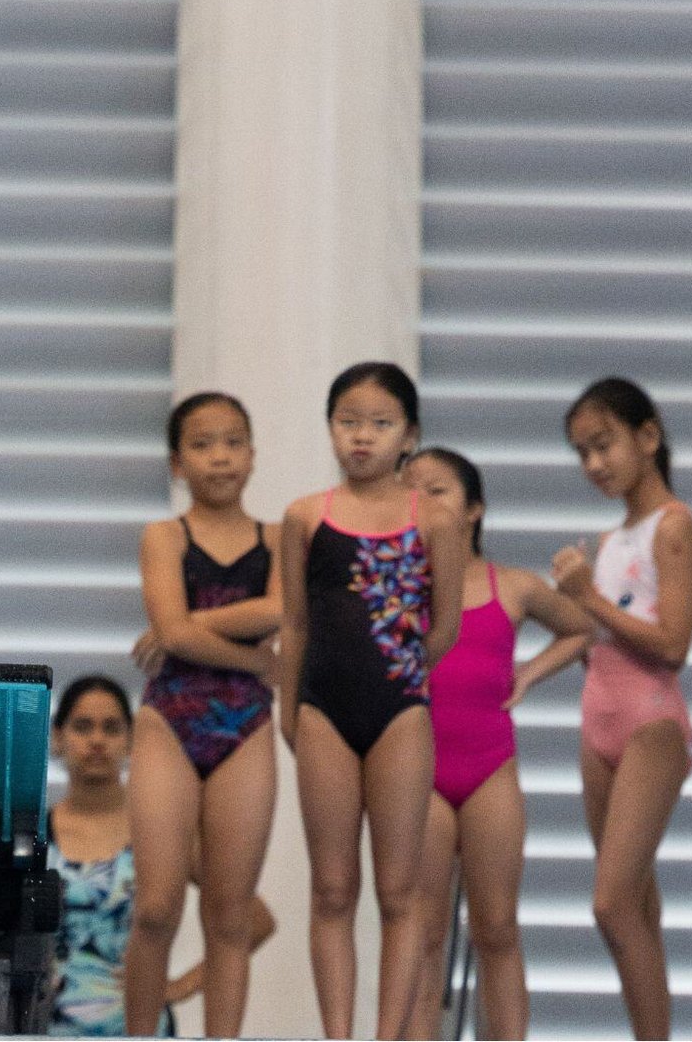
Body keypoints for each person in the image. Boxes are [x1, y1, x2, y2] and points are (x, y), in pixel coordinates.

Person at [279, 362, 464, 1042]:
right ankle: (337, 1035)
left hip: (400, 710)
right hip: (322, 711)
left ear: (409, 434)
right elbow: (296, 623)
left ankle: (388, 1036)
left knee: (398, 890)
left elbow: (445, 627)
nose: (362, 436)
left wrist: (402, 671)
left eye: (380, 424)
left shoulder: (435, 518)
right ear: (330, 427)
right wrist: (290, 709)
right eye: (348, 421)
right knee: (332, 889)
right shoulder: (304, 517)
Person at [403, 446, 592, 1042]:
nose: (421, 501)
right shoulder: (400, 589)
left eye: (437, 490)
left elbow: (580, 629)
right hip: (419, 773)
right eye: (411, 492)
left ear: (474, 509)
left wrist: (528, 673)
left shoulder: (511, 585)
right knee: (424, 934)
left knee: (497, 930)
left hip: (490, 769)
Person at [123, 394, 281, 1038]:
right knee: (156, 908)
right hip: (170, 720)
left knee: (230, 916)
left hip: (246, 729)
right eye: (202, 443)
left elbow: (279, 610)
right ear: (177, 463)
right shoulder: (164, 537)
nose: (220, 456)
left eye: (233, 441)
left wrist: (189, 623)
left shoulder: (279, 539)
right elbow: (172, 636)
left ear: (252, 454)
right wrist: (255, 659)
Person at [553, 377, 692, 1041]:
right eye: (582, 452)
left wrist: (588, 598)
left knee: (611, 904)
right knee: (637, 905)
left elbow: (673, 645)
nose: (593, 463)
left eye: (604, 443)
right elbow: (601, 640)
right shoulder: (611, 538)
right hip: (599, 719)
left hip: (651, 725)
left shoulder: (674, 526)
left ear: (648, 437)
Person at [48, 674, 275, 1037]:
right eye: (83, 726)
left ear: (131, 740)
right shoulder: (33, 837)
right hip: (50, 1028)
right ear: (57, 737)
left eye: (111, 728)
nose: (97, 740)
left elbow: (256, 919)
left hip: (139, 1028)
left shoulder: (159, 835)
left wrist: (181, 986)